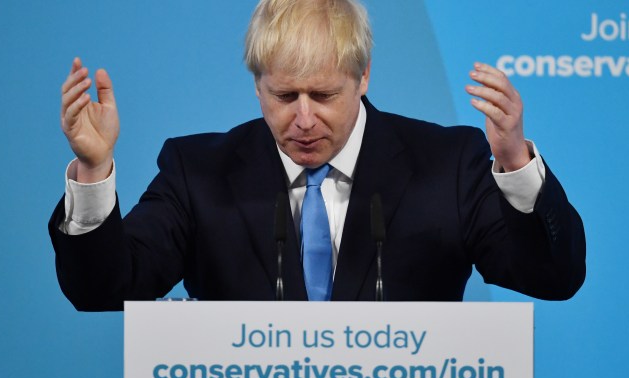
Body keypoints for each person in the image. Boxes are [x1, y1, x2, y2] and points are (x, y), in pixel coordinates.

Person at [49, 0, 585, 311]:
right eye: (284, 97)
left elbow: (553, 278)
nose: (303, 119)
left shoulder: (446, 163)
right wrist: (95, 170)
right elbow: (104, 290)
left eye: (324, 95)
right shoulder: (199, 174)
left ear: (363, 76)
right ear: (257, 86)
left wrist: (514, 162)